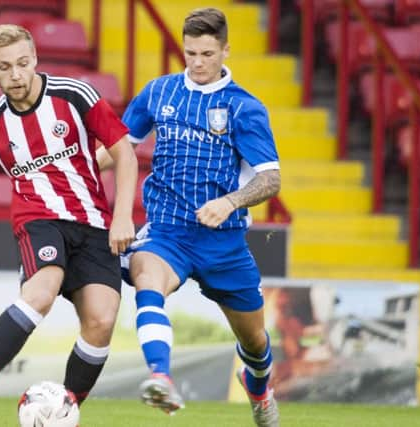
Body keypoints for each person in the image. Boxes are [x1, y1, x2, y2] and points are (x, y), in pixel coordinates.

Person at [0, 24, 137, 426]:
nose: (15, 74)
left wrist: (122, 215)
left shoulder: (74, 95)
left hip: (92, 222)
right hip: (38, 220)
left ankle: (63, 412)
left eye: (22, 63)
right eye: (5, 67)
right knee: (41, 294)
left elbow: (124, 150)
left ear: (34, 58)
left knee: (102, 321)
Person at [120, 8, 281, 426]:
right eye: (190, 53)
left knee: (254, 339)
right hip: (167, 231)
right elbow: (119, 150)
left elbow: (270, 181)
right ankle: (161, 378)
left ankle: (259, 388)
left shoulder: (245, 108)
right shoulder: (158, 93)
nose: (197, 62)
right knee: (146, 280)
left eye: (207, 53)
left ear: (225, 50)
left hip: (224, 242)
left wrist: (230, 202)